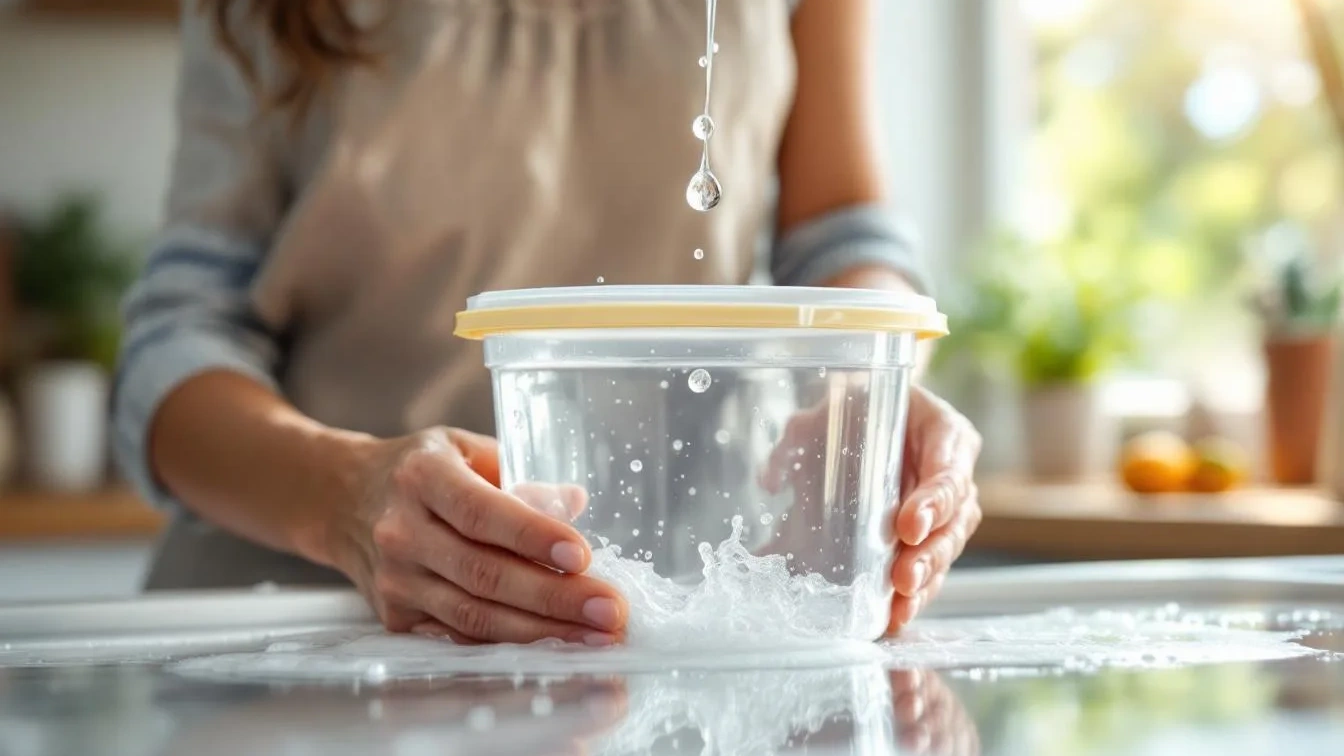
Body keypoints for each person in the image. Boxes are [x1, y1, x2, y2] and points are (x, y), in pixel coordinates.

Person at [113, 0, 983, 646]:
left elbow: (838, 234)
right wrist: (347, 498)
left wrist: (872, 384)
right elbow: (181, 337)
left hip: (680, 624)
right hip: (305, 628)